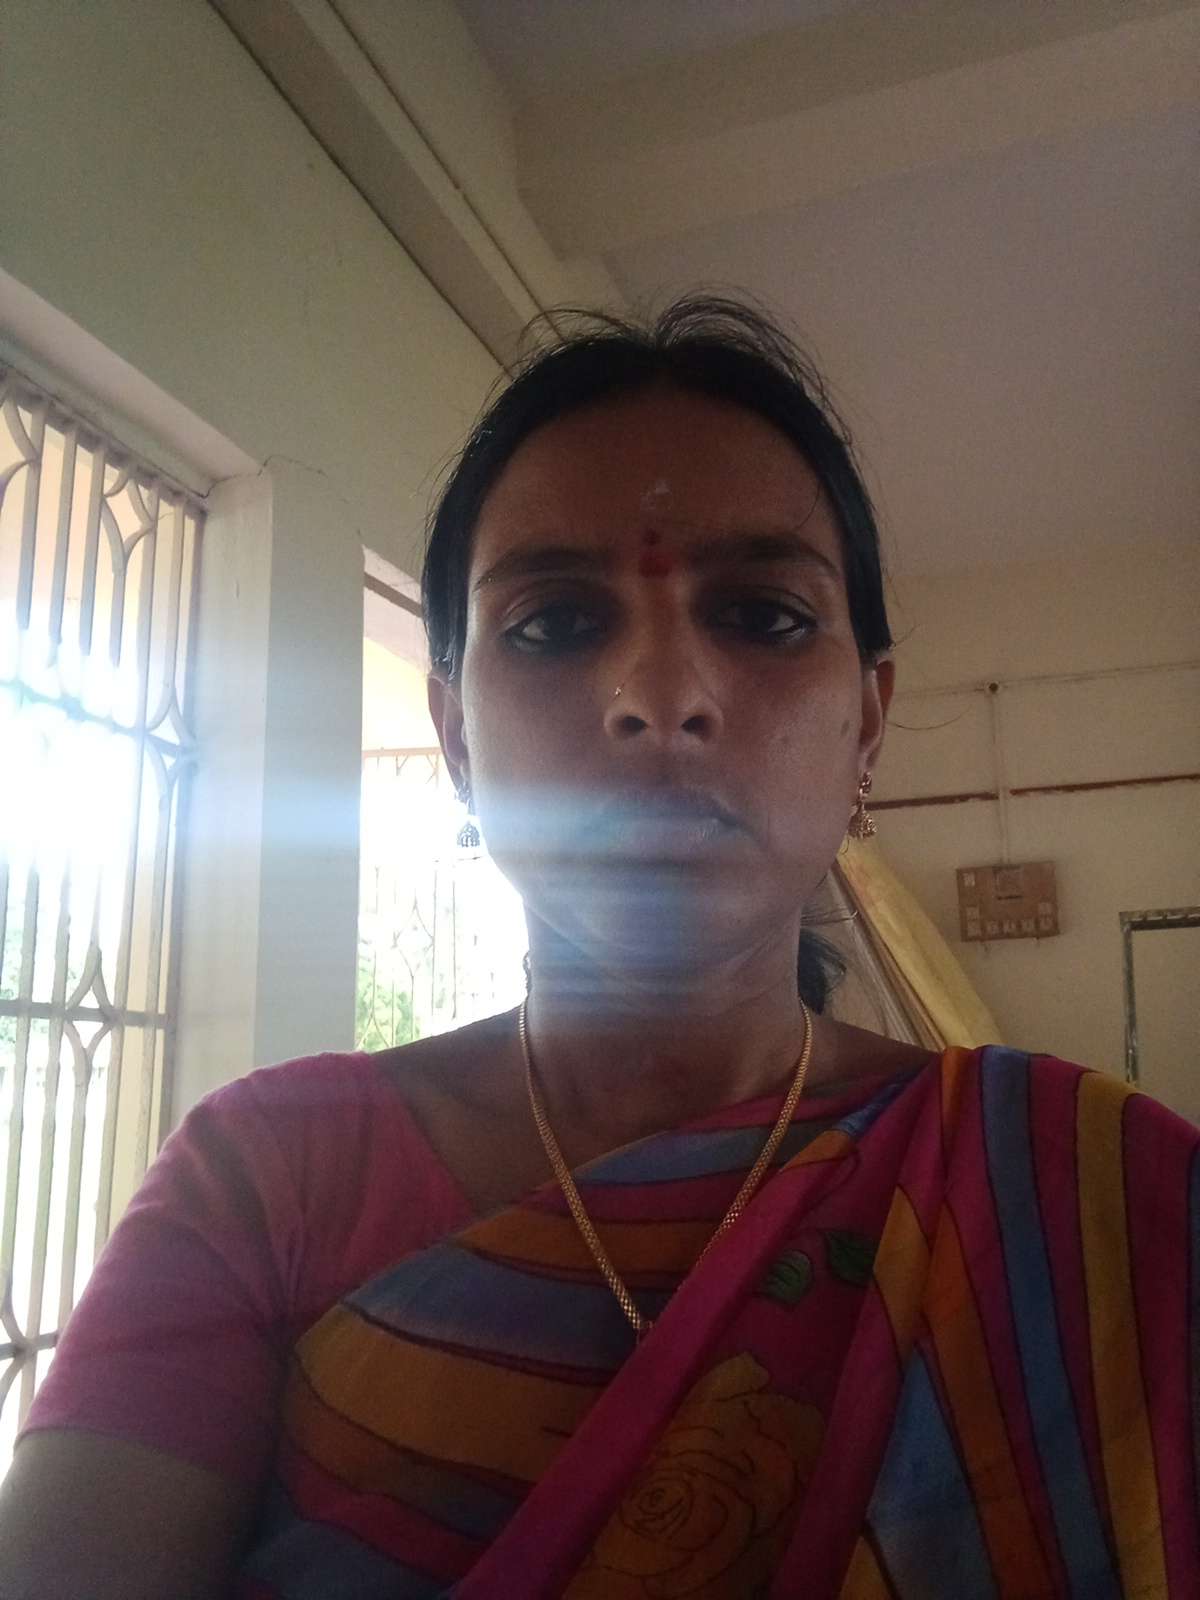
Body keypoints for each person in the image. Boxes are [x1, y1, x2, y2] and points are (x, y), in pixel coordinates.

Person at [0, 297, 1195, 1599]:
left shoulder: (1098, 1201)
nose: (661, 698)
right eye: (555, 623)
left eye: (765, 615)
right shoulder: (265, 1179)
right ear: (457, 737)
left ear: (867, 723)